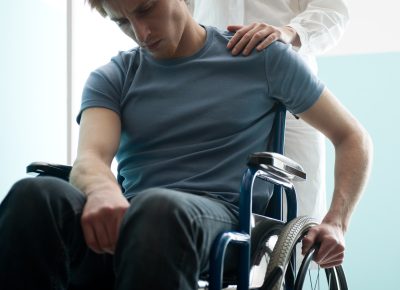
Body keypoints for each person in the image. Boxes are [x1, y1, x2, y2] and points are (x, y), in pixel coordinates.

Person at [0, 0, 371, 289]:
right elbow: (91, 159)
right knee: (34, 197)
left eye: (147, 8)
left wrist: (337, 221)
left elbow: (352, 137)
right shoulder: (113, 76)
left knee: (156, 208)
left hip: (219, 225)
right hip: (132, 224)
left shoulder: (262, 57)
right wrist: (100, 190)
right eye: (123, 21)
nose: (142, 32)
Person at [190, 0, 349, 223]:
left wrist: (290, 32)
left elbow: (333, 11)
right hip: (211, 92)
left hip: (290, 96)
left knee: (301, 210)